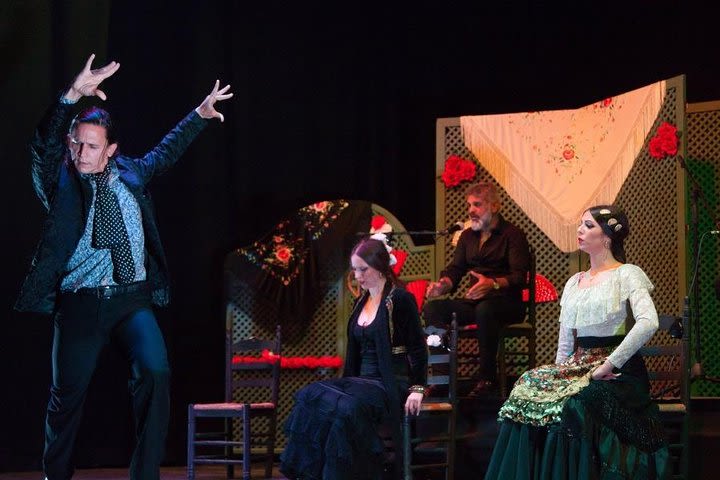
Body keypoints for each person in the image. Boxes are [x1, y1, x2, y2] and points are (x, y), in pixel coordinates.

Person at [14, 53, 232, 480]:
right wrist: (71, 96)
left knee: (156, 372)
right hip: (80, 304)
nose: (80, 153)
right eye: (77, 143)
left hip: (131, 300)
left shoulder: (130, 173)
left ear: (111, 149)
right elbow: (43, 144)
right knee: (66, 398)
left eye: (92, 146)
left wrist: (200, 115)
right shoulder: (60, 182)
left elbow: (165, 153)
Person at [484, 205, 669, 479]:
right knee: (526, 387)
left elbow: (648, 322)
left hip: (617, 370)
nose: (580, 230)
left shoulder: (627, 273)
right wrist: (558, 375)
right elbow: (565, 343)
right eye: (580, 224)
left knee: (575, 404)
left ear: (607, 236)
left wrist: (608, 365)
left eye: (589, 225)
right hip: (578, 365)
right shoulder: (574, 282)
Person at [280, 236, 428, 480]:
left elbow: (418, 348)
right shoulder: (362, 301)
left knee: (345, 408)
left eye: (363, 269)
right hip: (361, 382)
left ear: (380, 266)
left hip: (389, 382)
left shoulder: (399, 299)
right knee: (311, 395)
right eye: (355, 269)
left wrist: (418, 388)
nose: (358, 276)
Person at [424, 182, 530, 393]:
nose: (471, 210)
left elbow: (519, 277)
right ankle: (441, 378)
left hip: (507, 303)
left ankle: (487, 379)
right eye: (469, 205)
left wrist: (493, 284)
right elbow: (456, 268)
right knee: (433, 309)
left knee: (485, 310)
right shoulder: (467, 236)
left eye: (477, 205)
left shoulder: (513, 235)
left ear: (494, 207)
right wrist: (443, 285)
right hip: (475, 302)